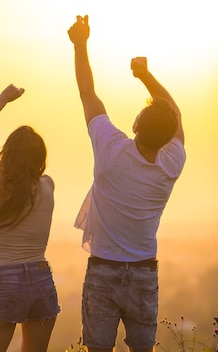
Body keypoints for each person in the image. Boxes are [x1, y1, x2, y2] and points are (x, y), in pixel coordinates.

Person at [68, 15, 186, 352]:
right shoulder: (172, 163)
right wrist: (146, 76)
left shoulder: (110, 148)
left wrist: (80, 44)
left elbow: (87, 92)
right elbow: (174, 115)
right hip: (145, 274)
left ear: (135, 124)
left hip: (103, 270)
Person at [0, 84, 60, 352]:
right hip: (42, 278)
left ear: (8, 153)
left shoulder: (2, 187)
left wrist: (3, 99)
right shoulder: (48, 185)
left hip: (6, 277)